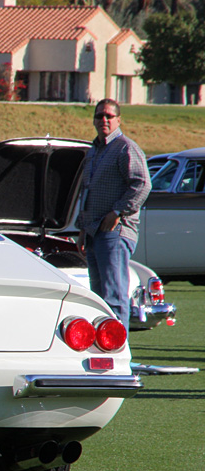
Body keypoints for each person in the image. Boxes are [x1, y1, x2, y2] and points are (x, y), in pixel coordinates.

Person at [75, 98, 151, 329]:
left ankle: (118, 352)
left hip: (115, 232)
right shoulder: (93, 151)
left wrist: (118, 211)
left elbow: (142, 185)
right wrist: (82, 230)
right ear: (94, 120)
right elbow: (86, 192)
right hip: (93, 230)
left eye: (109, 116)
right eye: (99, 116)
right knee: (98, 299)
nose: (104, 120)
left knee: (114, 296)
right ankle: (103, 350)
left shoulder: (126, 148)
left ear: (119, 120)